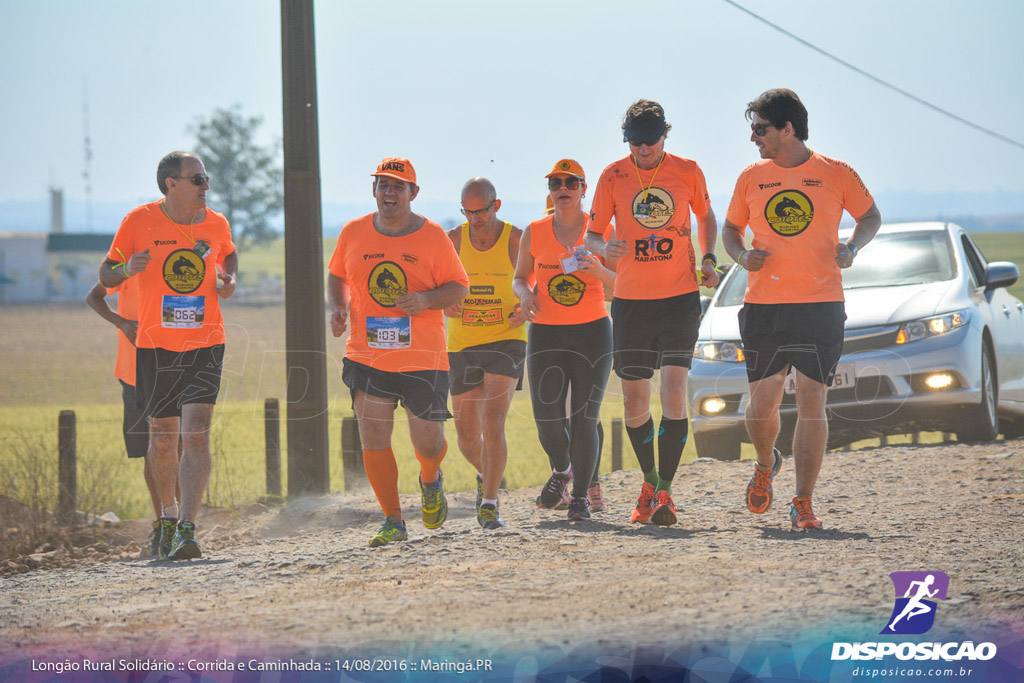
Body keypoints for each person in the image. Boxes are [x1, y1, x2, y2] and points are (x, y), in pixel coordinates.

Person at [720, 88, 881, 530]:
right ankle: (764, 460)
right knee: (761, 408)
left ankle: (803, 502)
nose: (754, 138)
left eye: (760, 129)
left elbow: (871, 217)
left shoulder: (836, 172)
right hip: (764, 307)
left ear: (787, 129)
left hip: (820, 304)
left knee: (813, 400)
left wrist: (851, 247)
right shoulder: (751, 177)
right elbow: (732, 229)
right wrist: (739, 256)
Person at [585, 100, 719, 526]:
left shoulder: (688, 170)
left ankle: (665, 493)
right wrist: (605, 248)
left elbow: (706, 215)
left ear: (666, 134)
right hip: (631, 302)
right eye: (635, 141)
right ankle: (649, 479)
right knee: (634, 399)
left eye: (651, 140)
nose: (643, 149)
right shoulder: (613, 175)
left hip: (679, 298)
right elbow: (591, 236)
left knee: (675, 392)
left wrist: (710, 258)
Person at [99, 151, 237, 560]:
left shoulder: (216, 223)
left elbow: (227, 254)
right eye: (197, 179)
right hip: (155, 348)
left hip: (206, 342)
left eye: (206, 178)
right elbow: (105, 276)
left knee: (196, 433)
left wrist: (228, 278)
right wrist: (127, 270)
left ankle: (188, 530)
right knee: (162, 442)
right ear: (170, 184)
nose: (205, 186)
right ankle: (168, 519)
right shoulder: (138, 221)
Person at [327, 157, 469, 547]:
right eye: (383, 185)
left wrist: (425, 298)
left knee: (428, 445)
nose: (390, 192)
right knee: (373, 438)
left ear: (413, 193)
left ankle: (429, 478)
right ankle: (392, 520)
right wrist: (338, 308)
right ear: (374, 190)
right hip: (366, 354)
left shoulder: (433, 236)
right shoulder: (353, 232)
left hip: (423, 357)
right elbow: (337, 275)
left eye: (398, 186)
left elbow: (458, 287)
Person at [513, 159, 615, 521]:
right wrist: (525, 296)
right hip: (546, 332)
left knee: (584, 418)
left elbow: (622, 284)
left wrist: (597, 269)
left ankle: (581, 499)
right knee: (547, 420)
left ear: (584, 190)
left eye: (572, 183)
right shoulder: (535, 230)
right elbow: (520, 277)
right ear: (550, 190)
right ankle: (562, 469)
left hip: (592, 332)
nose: (563, 189)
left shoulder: (602, 232)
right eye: (556, 183)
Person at [445, 178, 526, 529]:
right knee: (465, 434)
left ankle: (490, 504)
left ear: (497, 205)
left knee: (493, 420)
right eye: (467, 211)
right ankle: (487, 474)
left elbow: (536, 284)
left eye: (480, 210)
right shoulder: (452, 240)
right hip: (462, 343)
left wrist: (526, 307)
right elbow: (434, 285)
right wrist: (444, 304)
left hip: (506, 338)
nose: (474, 218)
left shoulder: (516, 239)